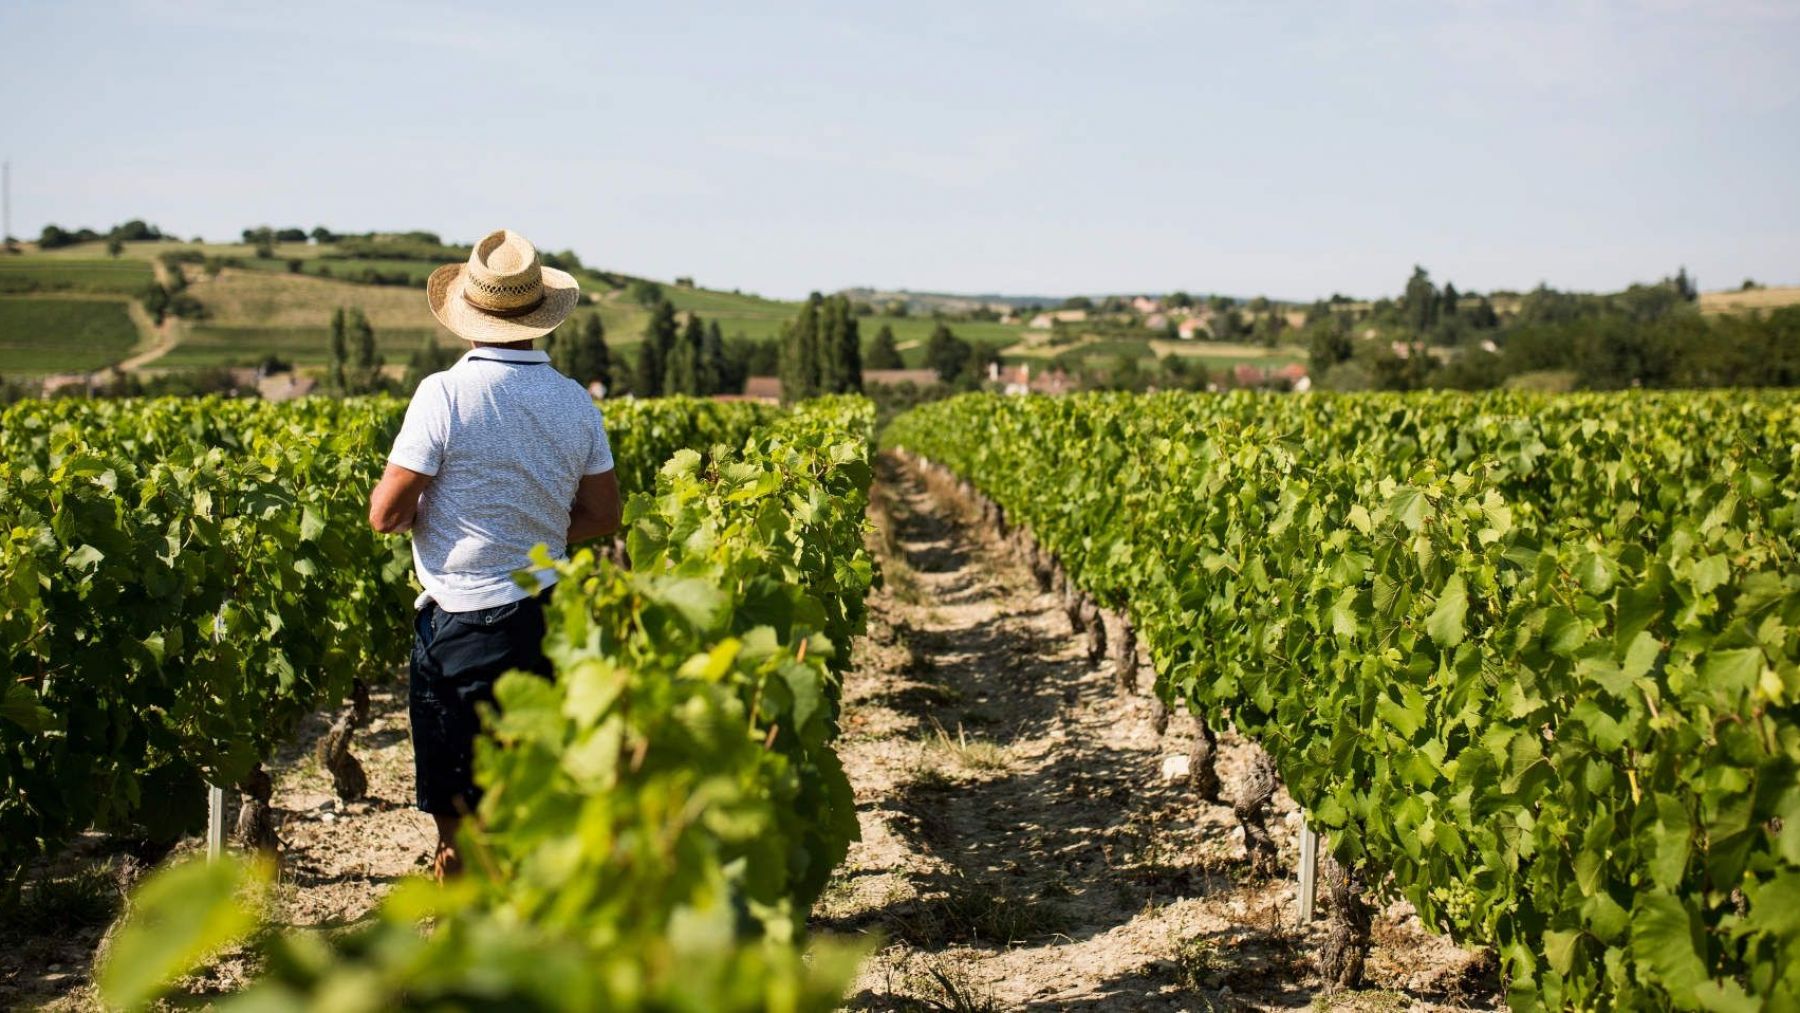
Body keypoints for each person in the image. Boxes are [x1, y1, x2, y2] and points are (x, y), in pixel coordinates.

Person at [367, 228, 622, 880]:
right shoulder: (573, 401)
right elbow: (602, 515)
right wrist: (530, 527)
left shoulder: (445, 395)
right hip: (546, 619)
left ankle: (464, 948)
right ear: (539, 318)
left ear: (468, 317)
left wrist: (454, 521)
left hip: (459, 626)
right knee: (534, 799)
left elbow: (386, 513)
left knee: (459, 820)